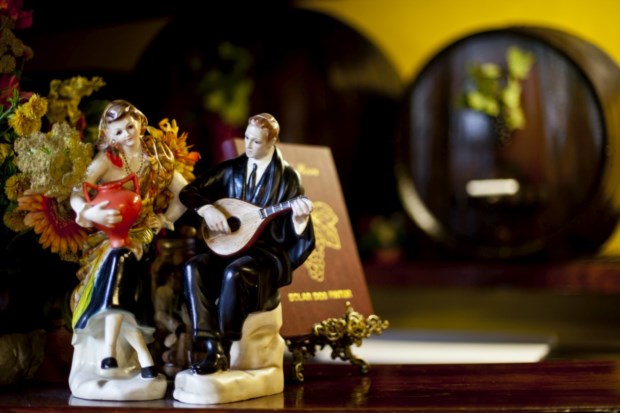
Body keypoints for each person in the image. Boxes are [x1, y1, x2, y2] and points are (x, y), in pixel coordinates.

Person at [180, 112, 315, 374]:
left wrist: (299, 220)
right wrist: (208, 209)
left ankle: (225, 343)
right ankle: (209, 344)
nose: (249, 145)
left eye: (257, 141)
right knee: (194, 267)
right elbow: (189, 192)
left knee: (235, 273)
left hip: (265, 255)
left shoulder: (288, 178)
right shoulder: (232, 169)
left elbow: (297, 238)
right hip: (228, 246)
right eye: (247, 138)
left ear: (272, 142)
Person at [68, 100, 187, 388]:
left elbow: (184, 191)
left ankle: (114, 353)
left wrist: (166, 218)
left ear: (141, 124)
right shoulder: (107, 160)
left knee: (121, 258)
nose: (126, 135)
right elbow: (77, 191)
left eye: (130, 127)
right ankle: (134, 354)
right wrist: (89, 212)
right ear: (109, 136)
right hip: (106, 235)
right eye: (118, 131)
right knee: (116, 261)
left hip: (139, 234)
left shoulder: (156, 158)